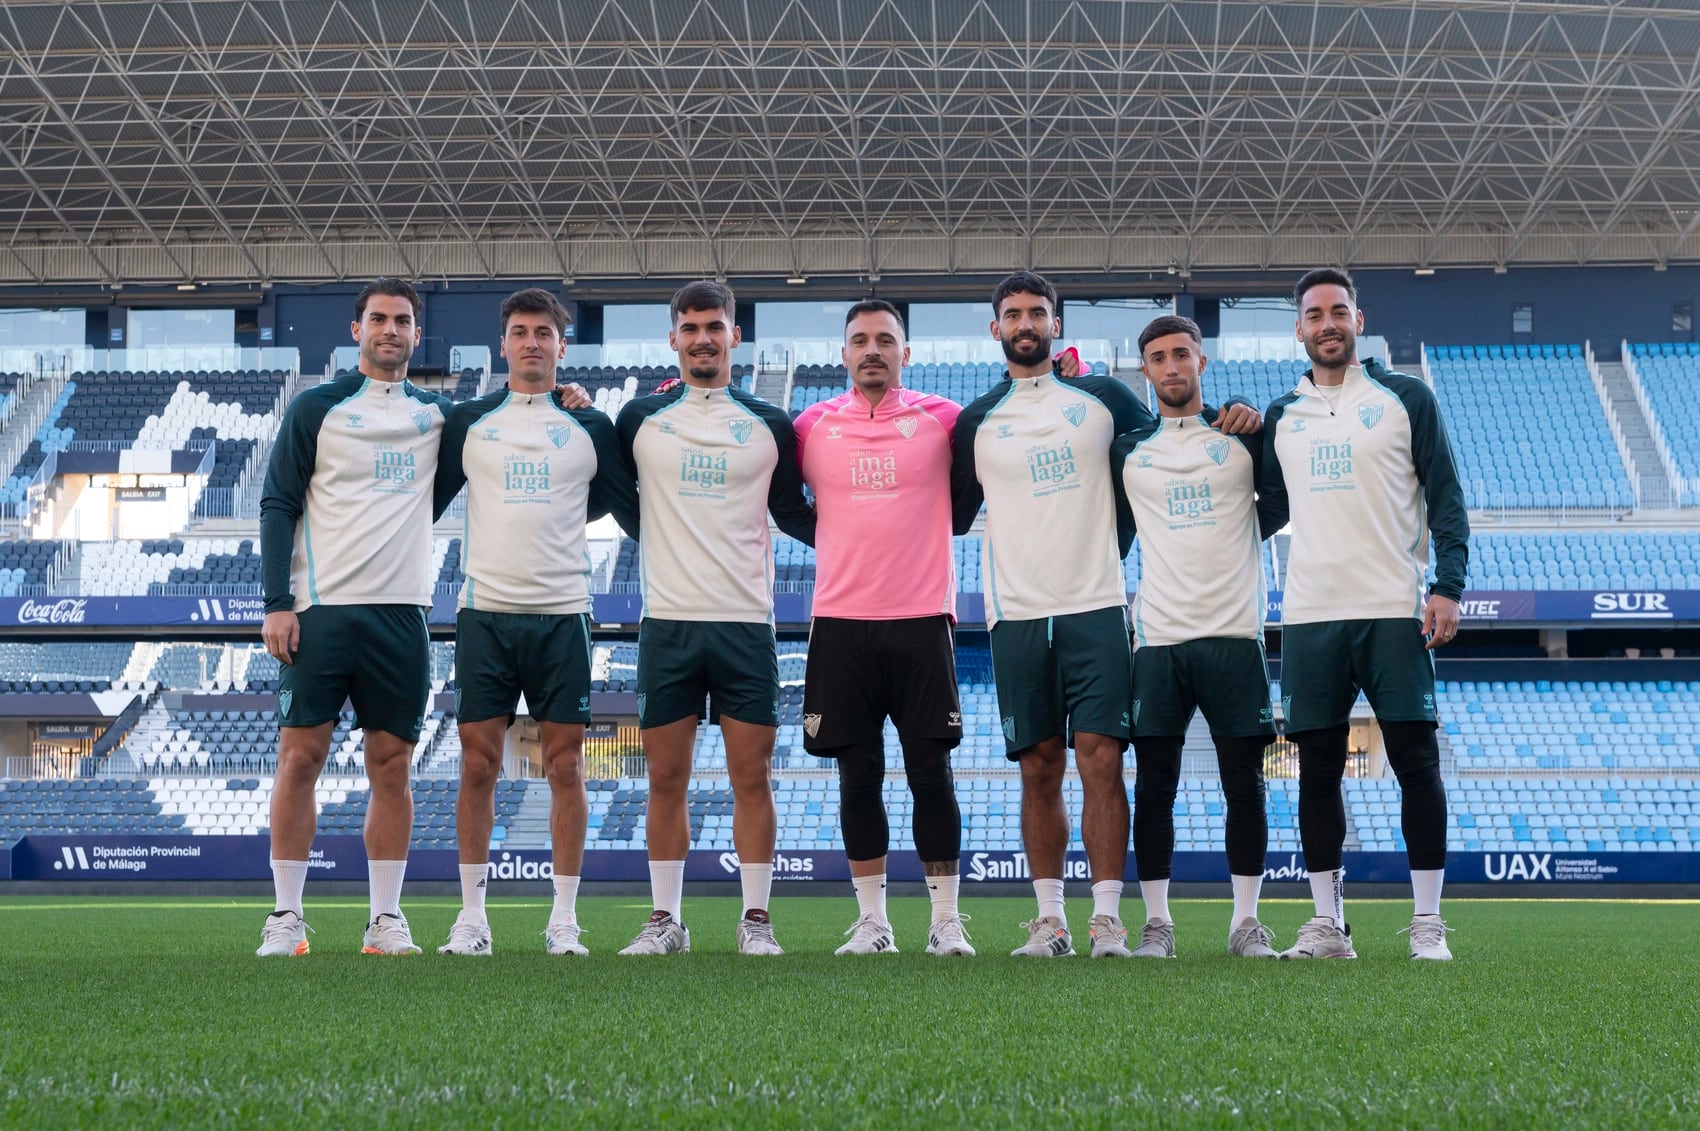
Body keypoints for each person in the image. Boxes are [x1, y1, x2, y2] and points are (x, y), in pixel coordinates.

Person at [951, 271, 1262, 958]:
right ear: (996, 328)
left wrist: (1234, 412)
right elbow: (947, 513)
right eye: (1013, 314)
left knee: (1102, 759)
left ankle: (1107, 921)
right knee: (1038, 766)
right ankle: (1050, 921)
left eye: (1037, 312)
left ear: (1055, 323)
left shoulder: (1103, 399)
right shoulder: (976, 420)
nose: (1026, 323)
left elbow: (1174, 436)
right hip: (1016, 615)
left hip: (1096, 607)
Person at [1260, 267, 1469, 961]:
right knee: (1316, 771)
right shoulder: (1281, 416)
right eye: (1314, 314)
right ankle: (1328, 926)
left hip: (1392, 608)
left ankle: (1428, 923)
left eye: (1338, 311)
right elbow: (1262, 511)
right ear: (1299, 328)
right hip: (1311, 615)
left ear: (1358, 319)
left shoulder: (1405, 398)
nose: (1328, 323)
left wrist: (1448, 585)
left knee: (1416, 762)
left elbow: (1446, 496)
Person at [431, 288, 640, 957]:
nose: (531, 342)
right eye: (520, 331)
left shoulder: (591, 425)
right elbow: (420, 501)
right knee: (476, 764)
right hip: (485, 615)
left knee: (566, 765)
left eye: (543, 332)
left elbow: (623, 507)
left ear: (561, 345)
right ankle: (472, 918)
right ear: (503, 344)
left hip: (563, 614)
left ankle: (564, 920)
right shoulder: (469, 421)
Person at [613, 280, 816, 956]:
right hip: (668, 624)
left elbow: (794, 511)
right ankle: (665, 921)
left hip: (745, 625)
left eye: (715, 326)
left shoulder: (770, 423)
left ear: (735, 336)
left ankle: (755, 920)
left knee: (750, 777)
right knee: (665, 779)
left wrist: (872, 534)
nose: (703, 338)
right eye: (692, 327)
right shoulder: (639, 419)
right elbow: (615, 494)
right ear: (673, 337)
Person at [256, 278, 452, 957]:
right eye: (378, 318)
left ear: (417, 334)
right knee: (299, 758)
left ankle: (386, 921)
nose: (390, 329)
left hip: (401, 615)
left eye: (402, 320)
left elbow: (502, 429)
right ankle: (286, 918)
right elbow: (278, 503)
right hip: (320, 613)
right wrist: (275, 602)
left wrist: (569, 400)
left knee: (392, 765)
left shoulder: (438, 416)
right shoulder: (317, 407)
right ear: (356, 330)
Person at [792, 299, 973, 957]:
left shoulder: (946, 420)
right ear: (843, 353)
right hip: (842, 623)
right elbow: (781, 501)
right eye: (861, 340)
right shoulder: (810, 427)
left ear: (906, 351)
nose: (873, 350)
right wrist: (830, 536)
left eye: (885, 339)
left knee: (932, 773)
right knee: (857, 775)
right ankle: (874, 922)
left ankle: (945, 921)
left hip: (921, 619)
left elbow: (972, 492)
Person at [1110, 315, 1281, 959]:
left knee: (1245, 785)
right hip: (1159, 640)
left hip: (1234, 634)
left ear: (1200, 361)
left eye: (1182, 354)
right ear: (1146, 370)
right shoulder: (1129, 450)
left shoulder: (1243, 436)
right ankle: (1157, 924)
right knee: (1155, 788)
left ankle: (1246, 923)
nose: (1171, 367)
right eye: (1158, 358)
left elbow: (1278, 506)